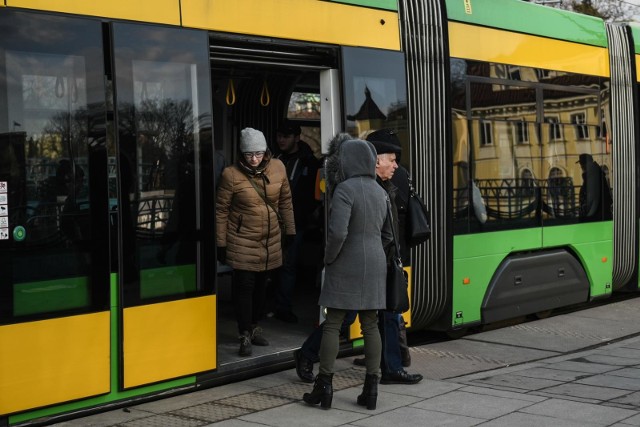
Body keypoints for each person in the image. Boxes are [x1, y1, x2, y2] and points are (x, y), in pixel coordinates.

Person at [294, 129, 422, 385]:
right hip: (364, 263)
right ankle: (310, 355)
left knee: (377, 318)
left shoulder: (392, 181)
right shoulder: (360, 187)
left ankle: (388, 368)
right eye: (391, 160)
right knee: (349, 319)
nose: (396, 165)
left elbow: (394, 225)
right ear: (375, 160)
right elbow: (345, 231)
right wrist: (333, 259)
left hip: (381, 262)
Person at [302, 134, 391, 411]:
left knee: (332, 323)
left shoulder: (344, 190)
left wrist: (329, 258)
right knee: (371, 324)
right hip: (375, 263)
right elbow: (388, 235)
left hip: (345, 262)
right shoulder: (381, 191)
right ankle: (371, 389)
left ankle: (325, 385)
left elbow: (338, 232)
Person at [216, 127, 296, 356]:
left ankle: (254, 327)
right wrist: (221, 243)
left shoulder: (279, 167)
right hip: (242, 239)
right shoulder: (230, 175)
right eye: (249, 155)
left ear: (266, 152)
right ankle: (244, 334)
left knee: (262, 288)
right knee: (244, 287)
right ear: (242, 154)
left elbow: (286, 202)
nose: (254, 159)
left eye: (259, 154)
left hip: (269, 240)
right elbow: (221, 210)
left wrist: (290, 231)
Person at [272, 121, 321, 323]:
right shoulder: (276, 159)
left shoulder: (309, 163)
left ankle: (282, 308)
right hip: (274, 221)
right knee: (276, 265)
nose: (281, 140)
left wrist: (303, 216)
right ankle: (275, 305)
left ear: (297, 138)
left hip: (296, 221)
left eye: (286, 136)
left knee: (288, 265)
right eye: (279, 136)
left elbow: (312, 195)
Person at [577, 153, 612, 222]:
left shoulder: (593, 175)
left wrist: (585, 217)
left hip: (596, 218)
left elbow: (592, 200)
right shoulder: (594, 173)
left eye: (582, 164)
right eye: (581, 164)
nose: (581, 166)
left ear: (588, 163)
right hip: (598, 216)